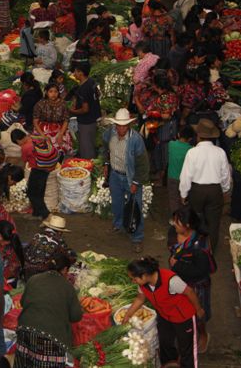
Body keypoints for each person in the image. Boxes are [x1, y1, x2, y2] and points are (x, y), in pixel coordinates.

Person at [122, 257, 204, 368]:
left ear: (144, 275)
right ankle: (169, 364)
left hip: (183, 317)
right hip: (165, 315)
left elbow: (189, 292)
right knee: (165, 342)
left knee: (186, 348)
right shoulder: (143, 284)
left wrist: (198, 309)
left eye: (134, 278)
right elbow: (140, 299)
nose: (133, 281)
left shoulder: (171, 280)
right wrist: (128, 314)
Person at [15, 253, 83, 368]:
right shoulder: (67, 286)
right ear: (65, 269)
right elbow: (76, 316)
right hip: (51, 338)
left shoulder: (33, 279)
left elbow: (23, 302)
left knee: (26, 362)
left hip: (25, 331)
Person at [168, 206, 216, 353]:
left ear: (187, 225)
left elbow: (200, 271)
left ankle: (203, 334)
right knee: (182, 310)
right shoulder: (173, 232)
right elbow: (170, 247)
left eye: (177, 222)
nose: (173, 224)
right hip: (180, 282)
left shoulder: (200, 246)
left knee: (199, 312)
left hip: (197, 285)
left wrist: (177, 265)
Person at [178, 118, 231, 251]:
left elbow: (186, 176)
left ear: (198, 136)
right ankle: (210, 251)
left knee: (194, 220)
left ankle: (194, 248)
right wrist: (225, 190)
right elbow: (225, 175)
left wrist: (183, 194)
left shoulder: (192, 152)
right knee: (213, 223)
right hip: (214, 190)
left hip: (197, 191)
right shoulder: (220, 152)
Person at [102, 108, 149, 253]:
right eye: (119, 125)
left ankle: (137, 237)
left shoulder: (136, 139)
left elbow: (143, 164)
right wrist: (106, 164)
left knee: (135, 207)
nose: (121, 128)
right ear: (115, 125)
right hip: (115, 175)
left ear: (128, 125)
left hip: (130, 177)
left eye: (124, 125)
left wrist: (136, 182)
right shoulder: (110, 133)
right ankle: (119, 225)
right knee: (117, 203)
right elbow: (105, 149)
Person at [11, 129, 52, 219]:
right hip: (46, 168)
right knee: (39, 191)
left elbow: (24, 161)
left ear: (18, 140)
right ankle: (37, 214)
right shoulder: (34, 137)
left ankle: (46, 215)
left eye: (17, 143)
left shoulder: (25, 147)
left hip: (38, 170)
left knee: (32, 193)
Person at [24, 215, 76, 279]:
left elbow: (26, 249)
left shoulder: (37, 235)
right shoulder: (58, 240)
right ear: (60, 232)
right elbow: (70, 255)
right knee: (63, 260)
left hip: (25, 269)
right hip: (40, 273)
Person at [69, 65, 102, 160]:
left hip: (86, 121)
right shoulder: (91, 81)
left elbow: (85, 109)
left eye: (75, 71)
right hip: (94, 118)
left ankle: (88, 167)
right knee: (90, 144)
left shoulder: (83, 89)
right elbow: (98, 94)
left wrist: (72, 111)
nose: (74, 74)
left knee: (86, 147)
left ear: (81, 73)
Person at [168, 126, 195, 220]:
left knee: (173, 199)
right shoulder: (191, 150)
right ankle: (184, 219)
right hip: (185, 179)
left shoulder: (171, 144)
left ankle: (175, 219)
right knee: (184, 199)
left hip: (172, 177)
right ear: (190, 138)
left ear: (179, 134)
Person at [0, 220, 24, 285]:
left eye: (4, 242)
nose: (3, 244)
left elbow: (13, 268)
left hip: (8, 278)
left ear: (0, 236)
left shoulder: (11, 250)